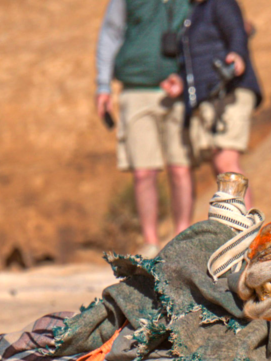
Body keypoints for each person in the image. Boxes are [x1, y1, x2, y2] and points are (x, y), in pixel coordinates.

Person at [95, 0, 195, 257]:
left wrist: (191, 78)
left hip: (180, 89)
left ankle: (182, 237)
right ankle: (150, 243)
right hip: (135, 88)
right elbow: (111, 32)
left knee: (180, 168)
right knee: (143, 172)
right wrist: (103, 86)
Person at [160, 0, 263, 209]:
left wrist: (237, 55)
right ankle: (237, 226)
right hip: (209, 97)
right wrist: (181, 80)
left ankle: (247, 228)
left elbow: (237, 31)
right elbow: (196, 60)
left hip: (230, 91)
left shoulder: (220, 3)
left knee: (226, 162)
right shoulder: (194, 13)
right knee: (219, 166)